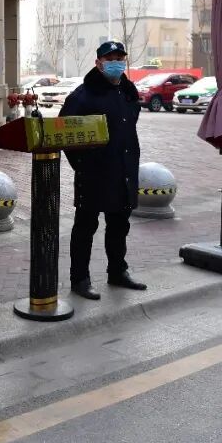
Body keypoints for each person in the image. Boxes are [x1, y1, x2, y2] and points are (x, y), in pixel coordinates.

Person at [60, 40, 147, 299]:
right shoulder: (83, 95)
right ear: (98, 63)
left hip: (124, 171)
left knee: (119, 225)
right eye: (110, 59)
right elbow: (64, 132)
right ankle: (80, 278)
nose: (115, 63)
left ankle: (118, 272)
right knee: (85, 227)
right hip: (94, 173)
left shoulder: (128, 91)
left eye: (120, 58)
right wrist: (83, 165)